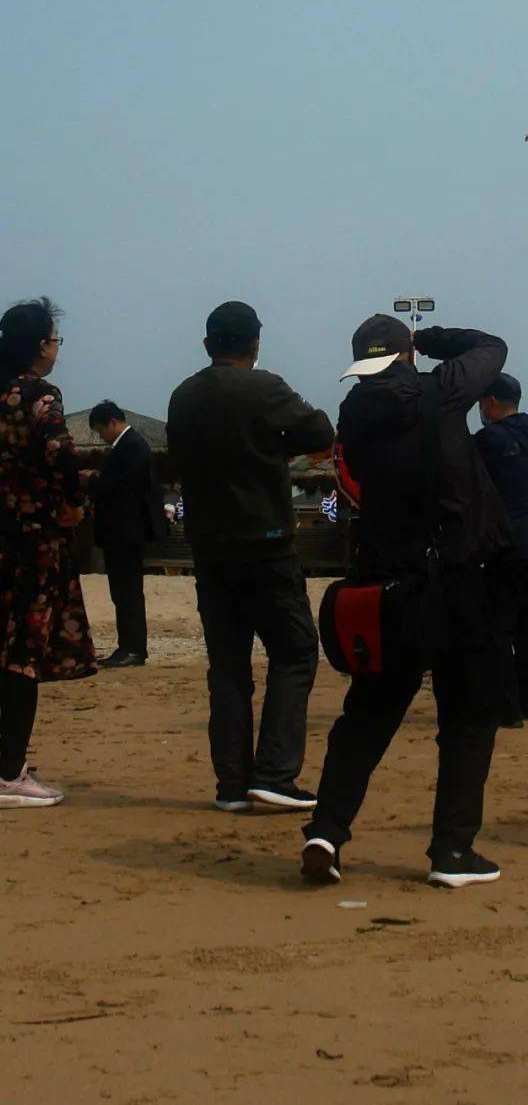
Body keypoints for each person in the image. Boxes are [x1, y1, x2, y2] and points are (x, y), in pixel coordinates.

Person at [302, 316, 510, 890]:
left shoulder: (352, 414)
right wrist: (434, 339)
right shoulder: (439, 392)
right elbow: (492, 345)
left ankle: (327, 828)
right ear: (406, 356)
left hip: (385, 585)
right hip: (458, 580)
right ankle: (452, 850)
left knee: (367, 715)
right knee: (467, 718)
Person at [167, 302, 333, 813]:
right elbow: (321, 433)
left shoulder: (183, 396)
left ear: (207, 344)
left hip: (210, 547)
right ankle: (276, 773)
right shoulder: (265, 388)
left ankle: (232, 783)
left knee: (228, 666)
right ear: (256, 344)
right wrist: (276, 447)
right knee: (295, 652)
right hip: (265, 542)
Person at [0, 298, 96, 808]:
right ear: (41, 346)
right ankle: (10, 770)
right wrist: (74, 503)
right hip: (35, 539)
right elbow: (60, 452)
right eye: (55, 340)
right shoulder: (38, 394)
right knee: (23, 654)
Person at [474, 373, 528, 726]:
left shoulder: (490, 440)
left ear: (490, 403)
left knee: (498, 627)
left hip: (504, 544)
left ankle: (506, 707)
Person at [87, 401, 168, 668]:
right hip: (124, 532)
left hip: (126, 532)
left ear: (111, 422)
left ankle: (132, 648)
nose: (101, 436)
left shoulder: (131, 445)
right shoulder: (130, 445)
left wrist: (95, 480)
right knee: (123, 592)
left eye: (100, 430)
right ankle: (129, 646)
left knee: (127, 592)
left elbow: (126, 487)